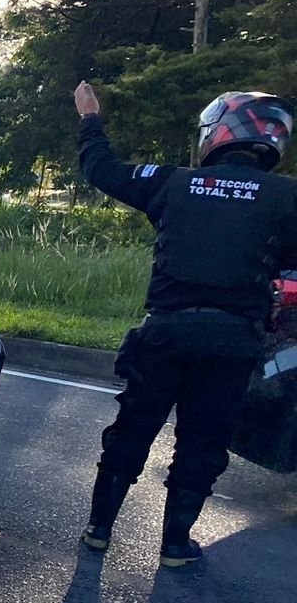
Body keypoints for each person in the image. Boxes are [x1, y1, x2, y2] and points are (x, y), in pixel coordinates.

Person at [75, 82, 297, 566]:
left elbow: (103, 170)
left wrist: (91, 119)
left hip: (167, 332)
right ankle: (175, 545)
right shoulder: (286, 197)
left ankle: (98, 530)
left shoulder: (172, 181)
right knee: (203, 441)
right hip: (233, 342)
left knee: (133, 428)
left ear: (217, 132)